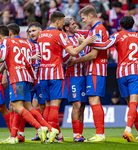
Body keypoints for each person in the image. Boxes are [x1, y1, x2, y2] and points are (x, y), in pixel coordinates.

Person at [0, 24, 59, 144]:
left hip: (17, 77)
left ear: (0, 36)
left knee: (16, 107)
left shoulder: (6, 41)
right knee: (28, 107)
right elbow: (27, 62)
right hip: (27, 77)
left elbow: (2, 57)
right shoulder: (26, 43)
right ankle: (51, 129)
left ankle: (39, 128)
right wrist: (32, 78)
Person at [37, 11, 95, 142]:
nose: (63, 24)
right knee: (55, 106)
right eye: (63, 22)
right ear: (57, 21)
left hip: (43, 73)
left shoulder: (41, 34)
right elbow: (73, 52)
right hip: (56, 73)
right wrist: (84, 43)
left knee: (47, 105)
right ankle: (53, 133)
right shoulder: (59, 34)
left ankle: (49, 133)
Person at [92, 16, 138, 142]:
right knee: (133, 104)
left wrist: (88, 42)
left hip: (122, 73)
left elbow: (104, 45)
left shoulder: (117, 35)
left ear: (120, 25)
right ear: (133, 25)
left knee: (130, 104)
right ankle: (127, 129)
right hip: (135, 72)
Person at [69, 5, 108, 142]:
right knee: (91, 100)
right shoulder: (94, 29)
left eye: (83, 18)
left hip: (96, 69)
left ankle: (100, 134)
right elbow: (84, 36)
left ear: (91, 16)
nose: (82, 20)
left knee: (94, 100)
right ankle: (98, 133)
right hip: (93, 70)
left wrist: (76, 60)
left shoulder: (98, 29)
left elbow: (93, 55)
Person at [62, 16, 86, 142]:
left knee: (82, 106)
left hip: (84, 76)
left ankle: (80, 134)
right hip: (73, 77)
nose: (75, 25)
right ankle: (75, 134)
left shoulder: (79, 36)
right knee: (76, 104)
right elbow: (66, 60)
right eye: (72, 24)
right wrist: (79, 46)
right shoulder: (64, 39)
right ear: (66, 27)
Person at [26, 22, 46, 141]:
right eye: (30, 32)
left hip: (42, 78)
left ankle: (45, 129)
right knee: (30, 107)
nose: (32, 33)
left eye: (34, 31)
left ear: (40, 30)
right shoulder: (26, 45)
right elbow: (19, 60)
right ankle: (40, 130)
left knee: (42, 106)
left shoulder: (45, 43)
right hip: (29, 79)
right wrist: (31, 58)